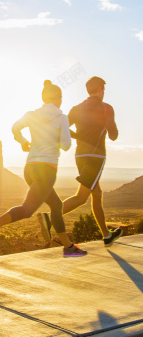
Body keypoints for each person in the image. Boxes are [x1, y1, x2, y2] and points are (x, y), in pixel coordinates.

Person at [0, 80, 87, 257]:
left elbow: (15, 128)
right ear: (57, 98)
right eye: (61, 98)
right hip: (46, 170)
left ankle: (68, 247)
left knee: (56, 205)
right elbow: (65, 145)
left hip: (30, 168)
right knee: (27, 210)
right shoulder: (61, 118)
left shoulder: (32, 114)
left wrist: (24, 142)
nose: (62, 101)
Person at [38, 76, 123, 247]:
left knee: (96, 193)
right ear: (100, 89)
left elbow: (64, 126)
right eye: (103, 89)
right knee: (82, 197)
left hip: (80, 156)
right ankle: (50, 218)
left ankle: (106, 235)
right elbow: (114, 135)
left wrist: (79, 136)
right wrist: (107, 128)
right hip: (96, 157)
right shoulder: (106, 108)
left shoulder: (77, 108)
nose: (104, 92)